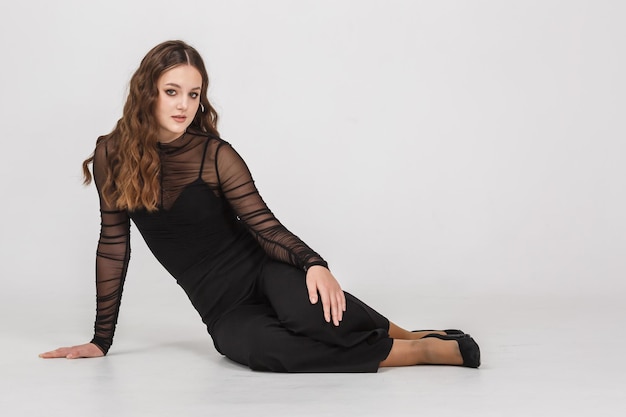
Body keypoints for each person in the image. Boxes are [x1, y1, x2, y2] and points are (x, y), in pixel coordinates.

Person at [40, 40, 480, 372]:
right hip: (222, 308)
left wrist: (314, 264)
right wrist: (101, 340)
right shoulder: (110, 155)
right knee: (263, 351)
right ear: (146, 93)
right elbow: (113, 245)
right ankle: (415, 348)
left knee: (313, 315)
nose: (184, 105)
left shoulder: (215, 155)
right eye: (172, 91)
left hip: (265, 271)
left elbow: (264, 226)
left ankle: (417, 342)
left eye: (193, 95)